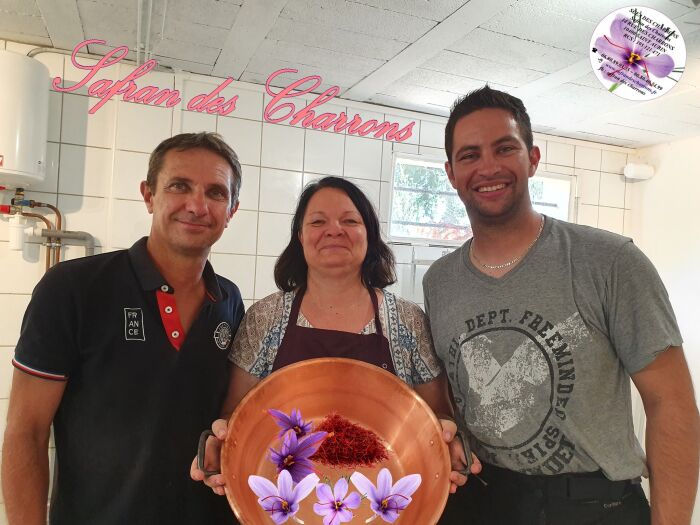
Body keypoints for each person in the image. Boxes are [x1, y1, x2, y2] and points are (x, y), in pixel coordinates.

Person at [423, 86, 700, 524]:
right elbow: (457, 397)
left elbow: (672, 403)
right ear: (451, 173)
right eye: (470, 155)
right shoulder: (440, 281)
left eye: (504, 148)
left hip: (593, 506)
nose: (488, 167)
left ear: (532, 158)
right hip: (483, 500)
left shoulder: (610, 261)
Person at [1, 132, 245, 525]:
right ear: (149, 195)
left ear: (231, 210)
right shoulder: (73, 288)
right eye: (179, 186)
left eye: (215, 193)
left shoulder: (229, 300)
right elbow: (25, 431)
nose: (197, 205)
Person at [190, 176, 478, 503]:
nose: (334, 230)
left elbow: (437, 416)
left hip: (383, 501)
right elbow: (236, 417)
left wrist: (448, 441)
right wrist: (221, 443)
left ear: (369, 234)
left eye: (350, 221)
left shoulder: (408, 321)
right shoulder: (265, 318)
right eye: (317, 222)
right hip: (286, 502)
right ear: (300, 237)